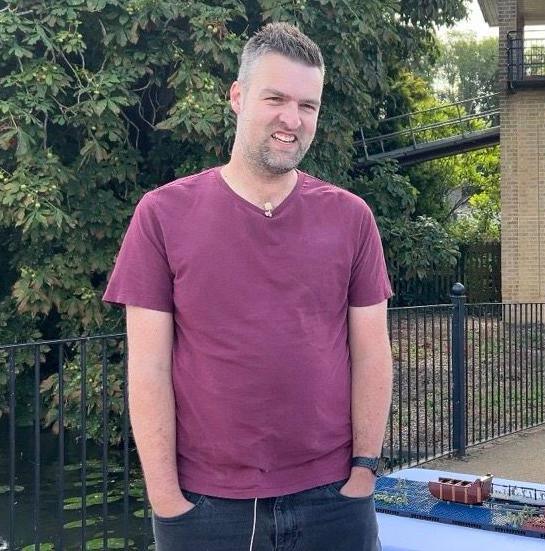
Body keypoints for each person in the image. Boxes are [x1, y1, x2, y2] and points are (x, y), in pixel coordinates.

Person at [103, 22, 393, 551]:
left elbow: (372, 353)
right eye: (276, 98)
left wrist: (364, 474)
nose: (292, 119)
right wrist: (167, 499)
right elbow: (147, 367)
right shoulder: (162, 215)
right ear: (238, 97)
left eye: (308, 105)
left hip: (334, 499)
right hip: (207, 507)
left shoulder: (351, 217)